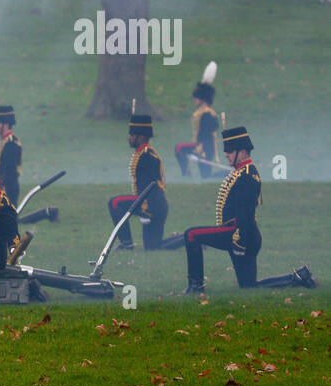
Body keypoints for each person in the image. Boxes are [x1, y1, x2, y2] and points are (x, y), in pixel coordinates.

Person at [180, 127, 315, 294]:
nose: (226, 154)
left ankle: (195, 287)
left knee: (191, 234)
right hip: (243, 234)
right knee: (249, 286)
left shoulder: (247, 176)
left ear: (243, 151)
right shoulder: (244, 172)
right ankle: (298, 278)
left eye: (230, 151)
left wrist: (239, 242)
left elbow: (245, 214)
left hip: (239, 234)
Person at [108, 114, 170, 250]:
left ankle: (127, 243)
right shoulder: (142, 153)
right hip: (155, 205)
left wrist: (146, 211)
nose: (129, 139)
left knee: (115, 203)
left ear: (140, 137)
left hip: (153, 205)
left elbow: (150, 187)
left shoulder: (146, 156)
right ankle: (185, 239)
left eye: (132, 135)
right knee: (153, 247)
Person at [175, 63, 220, 178]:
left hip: (205, 147)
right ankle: (186, 174)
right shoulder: (201, 112)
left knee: (206, 176)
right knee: (180, 149)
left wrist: (201, 149)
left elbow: (207, 134)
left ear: (202, 98)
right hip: (200, 145)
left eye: (197, 97)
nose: (195, 99)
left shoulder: (207, 114)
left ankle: (187, 175)